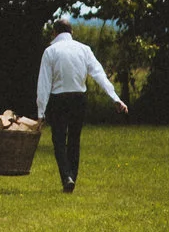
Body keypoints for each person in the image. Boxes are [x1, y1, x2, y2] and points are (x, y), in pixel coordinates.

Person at [37, 18, 128, 192]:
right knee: (74, 139)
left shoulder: (50, 51)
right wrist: (115, 98)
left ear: (54, 33)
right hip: (79, 98)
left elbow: (44, 84)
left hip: (58, 99)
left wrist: (41, 112)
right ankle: (73, 176)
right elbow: (99, 74)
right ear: (72, 32)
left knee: (58, 140)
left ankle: (66, 176)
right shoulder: (84, 49)